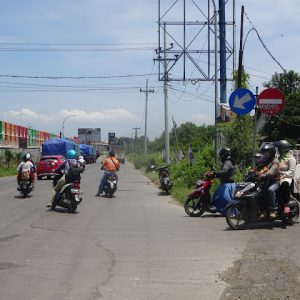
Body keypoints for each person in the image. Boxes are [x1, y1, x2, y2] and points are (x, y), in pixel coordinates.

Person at [258, 143, 280, 218]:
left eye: (267, 152)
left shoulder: (275, 161)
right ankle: (263, 210)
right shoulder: (266, 161)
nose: (265, 154)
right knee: (259, 191)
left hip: (275, 182)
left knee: (270, 190)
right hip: (267, 181)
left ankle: (272, 210)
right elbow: (260, 168)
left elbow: (272, 171)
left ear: (271, 152)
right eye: (264, 152)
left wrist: (264, 174)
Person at [211, 147, 235, 214]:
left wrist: (216, 173)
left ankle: (231, 212)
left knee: (224, 198)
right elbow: (224, 173)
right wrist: (216, 175)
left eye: (221, 154)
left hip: (227, 184)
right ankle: (220, 209)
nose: (220, 156)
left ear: (224, 154)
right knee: (216, 195)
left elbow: (225, 171)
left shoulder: (227, 162)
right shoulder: (226, 162)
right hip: (225, 184)